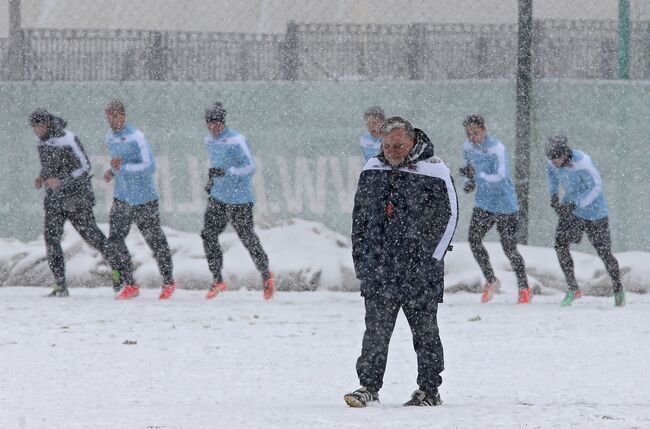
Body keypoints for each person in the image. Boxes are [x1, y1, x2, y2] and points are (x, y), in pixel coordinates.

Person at [344, 116, 458, 408]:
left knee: (425, 332)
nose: (393, 150)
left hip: (420, 272)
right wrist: (363, 261)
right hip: (379, 271)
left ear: (412, 141)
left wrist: (430, 260)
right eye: (387, 145)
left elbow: (450, 217)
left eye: (399, 144)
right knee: (376, 332)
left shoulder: (435, 170)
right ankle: (368, 386)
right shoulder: (372, 169)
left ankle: (429, 390)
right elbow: (360, 220)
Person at [29, 109, 120, 297]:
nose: (37, 130)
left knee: (92, 236)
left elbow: (85, 166)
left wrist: (61, 181)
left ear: (48, 124)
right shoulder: (42, 141)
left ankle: (119, 271)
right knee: (51, 238)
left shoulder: (68, 138)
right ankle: (60, 285)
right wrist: (43, 176)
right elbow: (50, 166)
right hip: (54, 198)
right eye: (34, 127)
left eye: (40, 126)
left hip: (77, 196)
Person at [103, 100, 176, 300]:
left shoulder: (137, 137)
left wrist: (123, 167)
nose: (113, 120)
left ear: (124, 116)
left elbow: (149, 166)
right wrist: (112, 171)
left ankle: (168, 281)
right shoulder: (109, 137)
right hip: (122, 197)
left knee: (155, 241)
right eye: (109, 116)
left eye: (116, 116)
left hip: (143, 198)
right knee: (115, 241)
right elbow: (118, 164)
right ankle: (130, 284)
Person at [201, 101, 274, 300]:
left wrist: (229, 172)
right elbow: (217, 165)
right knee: (208, 235)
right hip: (218, 198)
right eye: (210, 123)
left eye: (217, 123)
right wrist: (212, 180)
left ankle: (266, 275)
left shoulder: (237, 140)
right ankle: (217, 279)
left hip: (240, 200)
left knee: (247, 238)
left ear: (223, 122)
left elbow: (250, 168)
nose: (213, 127)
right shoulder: (209, 141)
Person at [458, 114, 533, 304]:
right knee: (474, 240)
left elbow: (500, 177)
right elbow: (470, 169)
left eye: (476, 132)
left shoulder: (496, 148)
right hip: (484, 204)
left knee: (509, 248)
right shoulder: (468, 147)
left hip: (505, 206)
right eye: (469, 134)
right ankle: (491, 280)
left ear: (484, 130)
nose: (472, 137)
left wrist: (478, 176)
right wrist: (469, 181)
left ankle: (523, 287)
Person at [544, 135, 625, 307]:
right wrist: (553, 195)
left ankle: (618, 288)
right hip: (571, 210)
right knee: (560, 244)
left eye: (557, 159)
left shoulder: (583, 162)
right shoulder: (552, 161)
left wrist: (577, 203)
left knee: (604, 252)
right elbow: (551, 175)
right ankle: (573, 289)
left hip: (594, 212)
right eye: (551, 159)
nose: (554, 163)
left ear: (565, 154)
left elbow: (596, 186)